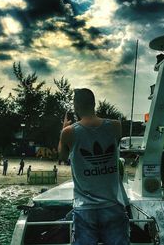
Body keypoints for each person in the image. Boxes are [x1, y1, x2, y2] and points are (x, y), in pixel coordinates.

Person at [58, 88, 129, 245]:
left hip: (85, 208)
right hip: (112, 204)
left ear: (75, 107)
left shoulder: (69, 132)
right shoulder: (116, 126)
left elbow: (62, 157)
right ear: (94, 103)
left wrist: (63, 130)